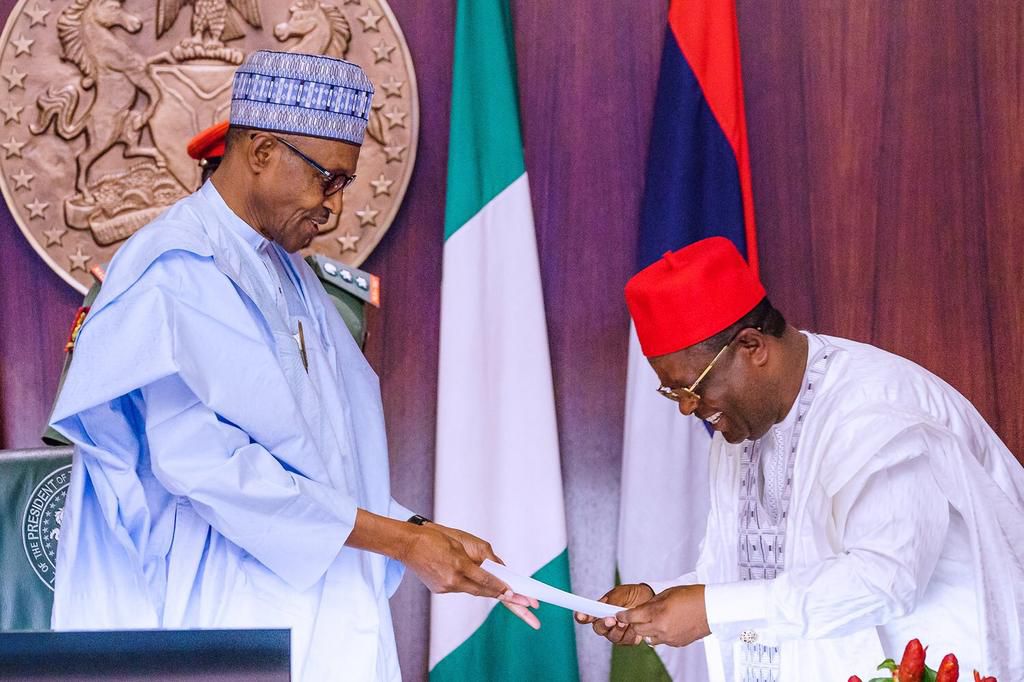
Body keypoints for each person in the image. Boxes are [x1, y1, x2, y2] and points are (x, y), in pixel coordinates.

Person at [48, 50, 538, 681]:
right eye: (326, 179)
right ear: (261, 151)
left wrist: (421, 532)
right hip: (230, 618)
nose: (333, 207)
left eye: (343, 184)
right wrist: (401, 541)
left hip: (321, 606)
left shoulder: (289, 271)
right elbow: (207, 467)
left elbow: (318, 460)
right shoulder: (176, 269)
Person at [577, 237, 1024, 681]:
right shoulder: (743, 423)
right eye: (673, 392)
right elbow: (748, 576)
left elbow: (887, 578)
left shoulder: (871, 408)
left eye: (692, 387)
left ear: (752, 347)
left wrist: (712, 608)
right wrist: (658, 603)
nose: (688, 408)